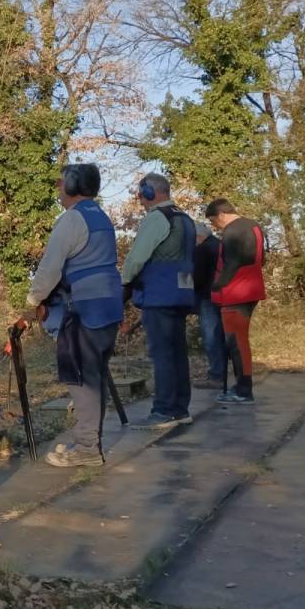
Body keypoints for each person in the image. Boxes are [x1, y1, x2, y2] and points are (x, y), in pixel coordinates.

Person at [25, 164, 124, 467]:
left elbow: (50, 267)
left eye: (61, 183)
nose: (58, 189)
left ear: (71, 184)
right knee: (94, 375)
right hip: (108, 306)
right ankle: (89, 442)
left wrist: (32, 302)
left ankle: (86, 449)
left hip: (85, 310)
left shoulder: (71, 219)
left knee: (81, 380)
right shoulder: (101, 218)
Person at [121, 173, 196, 429]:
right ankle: (180, 409)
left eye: (141, 193)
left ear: (152, 193)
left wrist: (124, 284)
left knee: (162, 353)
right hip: (181, 294)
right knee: (177, 353)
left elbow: (137, 258)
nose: (139, 198)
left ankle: (163, 411)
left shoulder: (157, 218)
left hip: (159, 294)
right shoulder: (185, 218)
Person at [205, 198, 266, 404]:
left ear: (221, 215)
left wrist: (217, 285)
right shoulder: (255, 226)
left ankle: (243, 390)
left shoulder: (231, 231)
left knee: (235, 342)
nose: (215, 226)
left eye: (214, 222)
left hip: (235, 293)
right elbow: (261, 258)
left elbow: (231, 263)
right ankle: (242, 384)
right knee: (240, 341)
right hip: (253, 288)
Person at [193, 220, 227, 389]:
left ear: (198, 236)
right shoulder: (219, 244)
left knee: (211, 336)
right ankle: (225, 373)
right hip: (224, 295)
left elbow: (197, 277)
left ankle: (216, 375)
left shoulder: (202, 249)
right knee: (222, 335)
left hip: (208, 297)